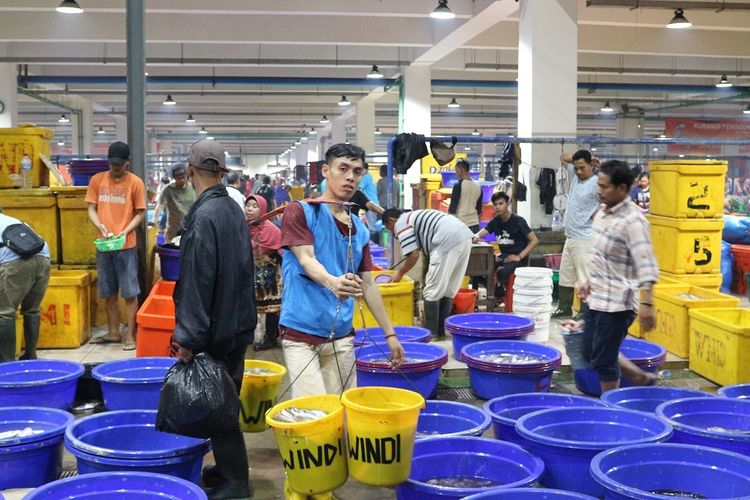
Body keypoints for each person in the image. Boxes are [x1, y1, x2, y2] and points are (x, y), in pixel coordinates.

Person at [279, 143, 404, 400]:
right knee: (314, 412)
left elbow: (368, 285)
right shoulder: (301, 211)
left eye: (357, 172)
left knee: (343, 410)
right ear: (326, 170)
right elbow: (306, 258)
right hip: (301, 332)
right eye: (343, 169)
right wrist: (332, 282)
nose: (350, 177)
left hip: (341, 335)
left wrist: (390, 334)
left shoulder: (359, 228)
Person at [172, 139, 255, 500]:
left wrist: (188, 338)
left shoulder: (203, 216)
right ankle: (225, 470)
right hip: (237, 324)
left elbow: (196, 281)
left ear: (190, 172)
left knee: (219, 410)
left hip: (215, 329)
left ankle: (237, 484)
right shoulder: (232, 209)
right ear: (221, 173)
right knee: (227, 399)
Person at [578, 160, 659, 394]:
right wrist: (589, 281)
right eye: (598, 185)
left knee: (604, 361)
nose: (599, 190)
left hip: (617, 304)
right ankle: (639, 376)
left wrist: (647, 304)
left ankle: (611, 408)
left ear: (622, 189)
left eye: (604, 186)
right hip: (596, 297)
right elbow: (600, 254)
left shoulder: (633, 222)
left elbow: (647, 264)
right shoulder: (602, 213)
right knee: (589, 351)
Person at [86, 141, 146, 351]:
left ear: (127, 162)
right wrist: (100, 226)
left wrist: (125, 230)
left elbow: (140, 213)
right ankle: (113, 332)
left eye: (119, 164)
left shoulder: (135, 183)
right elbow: (91, 209)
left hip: (126, 246)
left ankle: (130, 335)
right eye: (112, 164)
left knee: (129, 292)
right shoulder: (97, 180)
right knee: (108, 291)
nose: (116, 168)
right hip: (104, 246)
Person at [383, 208, 473, 339]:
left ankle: (432, 334)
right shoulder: (413, 217)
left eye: (389, 228)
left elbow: (413, 256)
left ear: (391, 220)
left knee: (432, 290)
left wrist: (399, 273)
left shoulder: (401, 223)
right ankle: (441, 332)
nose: (392, 233)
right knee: (448, 288)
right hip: (465, 236)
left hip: (446, 239)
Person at [553, 150, 600, 318]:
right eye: (577, 167)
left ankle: (585, 312)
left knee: (584, 277)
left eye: (582, 168)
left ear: (591, 166)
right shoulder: (575, 176)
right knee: (566, 275)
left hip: (586, 238)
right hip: (571, 236)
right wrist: (583, 160)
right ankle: (564, 307)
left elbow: (610, 201)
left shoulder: (597, 182)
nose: (579, 171)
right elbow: (563, 156)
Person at [0, 210, 51, 362]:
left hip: (15, 262)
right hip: (43, 258)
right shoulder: (14, 220)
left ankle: (6, 364)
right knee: (31, 310)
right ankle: (30, 355)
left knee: (4, 312)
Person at [472, 192, 539, 300]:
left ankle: (499, 291)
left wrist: (520, 256)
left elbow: (534, 240)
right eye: (495, 204)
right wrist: (475, 237)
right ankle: (493, 290)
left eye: (501, 203)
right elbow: (480, 233)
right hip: (504, 257)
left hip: (519, 258)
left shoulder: (518, 221)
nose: (498, 207)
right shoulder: (495, 221)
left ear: (507, 204)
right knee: (482, 265)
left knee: (502, 272)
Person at [245, 194, 283, 351]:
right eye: (248, 205)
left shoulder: (272, 230)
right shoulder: (243, 227)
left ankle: (270, 337)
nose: (250, 209)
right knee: (252, 305)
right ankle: (252, 335)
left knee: (271, 306)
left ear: (263, 210)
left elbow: (282, 252)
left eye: (255, 206)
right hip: (251, 271)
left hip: (270, 273)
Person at [151, 163, 196, 242]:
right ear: (174, 178)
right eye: (178, 178)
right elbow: (160, 206)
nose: (181, 180)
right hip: (173, 231)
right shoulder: (168, 190)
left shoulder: (193, 188)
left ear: (187, 176)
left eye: (183, 177)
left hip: (190, 231)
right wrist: (154, 220)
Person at [448, 159, 482, 232]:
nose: (456, 173)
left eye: (456, 170)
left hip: (461, 224)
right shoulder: (478, 187)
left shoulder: (458, 185)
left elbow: (452, 208)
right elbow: (479, 210)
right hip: (475, 224)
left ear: (461, 170)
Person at [359, 162, 380, 237]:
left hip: (371, 203)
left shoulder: (366, 177)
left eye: (361, 170)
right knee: (371, 224)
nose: (360, 172)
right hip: (372, 202)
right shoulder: (368, 176)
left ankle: (374, 242)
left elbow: (359, 189)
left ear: (365, 169)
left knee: (372, 227)